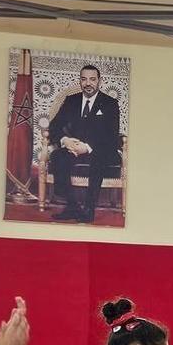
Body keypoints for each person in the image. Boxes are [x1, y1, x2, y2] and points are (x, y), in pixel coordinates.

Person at [47, 63, 121, 224]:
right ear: (80, 81)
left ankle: (89, 209)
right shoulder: (71, 101)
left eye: (92, 79)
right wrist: (65, 141)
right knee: (58, 155)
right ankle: (72, 206)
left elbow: (111, 135)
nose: (88, 83)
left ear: (99, 81)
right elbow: (54, 126)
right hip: (73, 147)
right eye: (84, 79)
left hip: (100, 148)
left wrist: (87, 148)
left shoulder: (110, 103)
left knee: (99, 158)